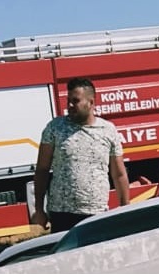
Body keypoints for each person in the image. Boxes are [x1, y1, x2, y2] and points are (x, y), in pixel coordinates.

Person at [32, 77, 130, 232]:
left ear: (91, 102)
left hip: (96, 213)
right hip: (61, 214)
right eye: (68, 100)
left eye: (75, 101)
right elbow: (42, 170)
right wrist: (39, 209)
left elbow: (118, 174)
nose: (70, 105)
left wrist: (125, 209)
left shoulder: (108, 130)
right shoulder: (54, 128)